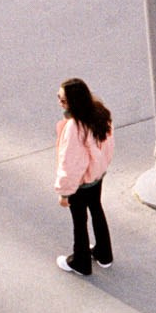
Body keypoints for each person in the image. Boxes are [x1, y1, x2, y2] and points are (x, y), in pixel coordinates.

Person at [53, 78, 115, 276]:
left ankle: (80, 262)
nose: (59, 102)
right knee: (96, 209)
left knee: (79, 222)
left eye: (63, 100)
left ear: (74, 102)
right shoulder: (100, 112)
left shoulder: (75, 128)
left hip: (81, 183)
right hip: (97, 176)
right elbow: (107, 145)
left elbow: (71, 164)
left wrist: (64, 193)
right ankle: (104, 254)